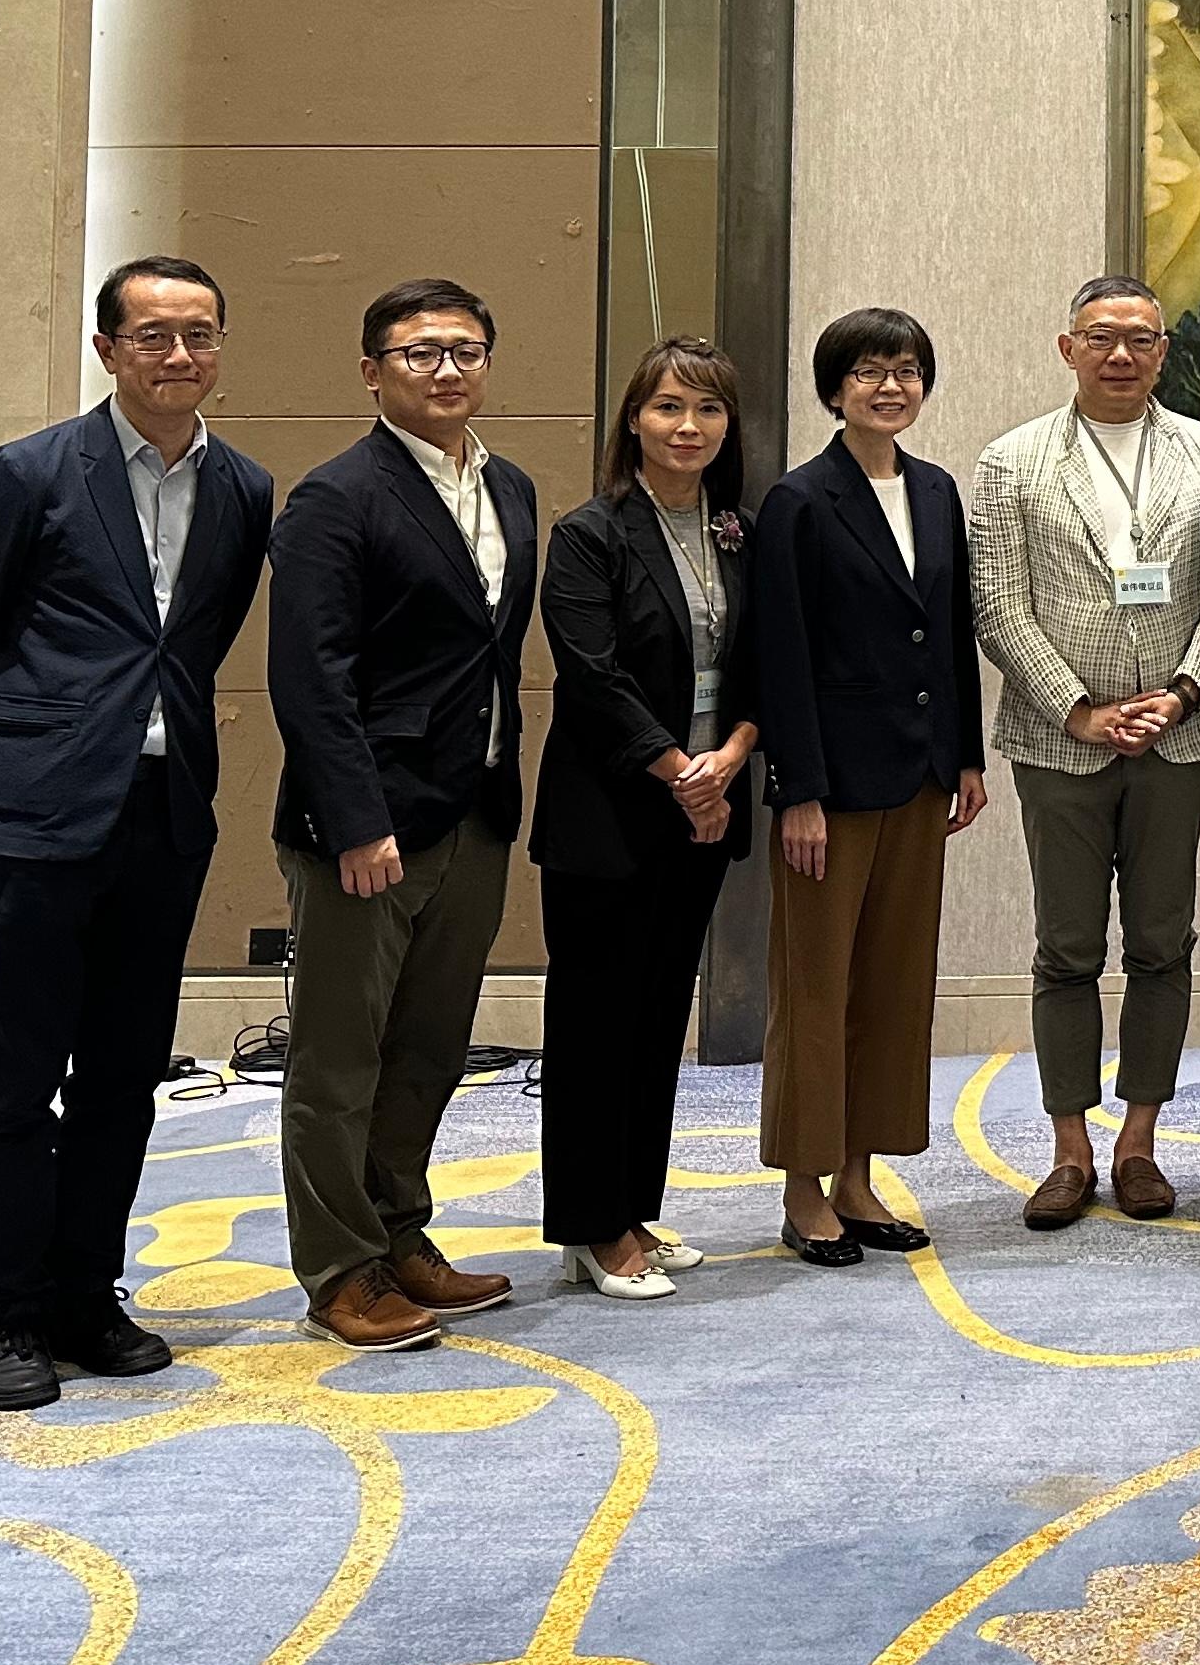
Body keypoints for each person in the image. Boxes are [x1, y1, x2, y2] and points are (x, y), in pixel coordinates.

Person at [0, 257, 275, 1408]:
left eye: (200, 335)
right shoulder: (25, 474)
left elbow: (195, 646)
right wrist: (8, 778)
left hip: (162, 822)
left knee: (123, 1078)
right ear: (109, 349)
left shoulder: (244, 488)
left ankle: (86, 1293)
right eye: (154, 336)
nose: (179, 356)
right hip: (27, 826)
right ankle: (9, 1317)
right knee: (17, 1083)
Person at [267, 277, 539, 1351]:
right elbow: (310, 677)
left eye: (466, 350)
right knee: (340, 1057)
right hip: (367, 828)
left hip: (474, 810)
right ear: (372, 369)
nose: (446, 370)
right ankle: (338, 1268)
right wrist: (355, 820)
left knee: (428, 1046)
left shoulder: (510, 486)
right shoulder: (336, 496)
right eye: (420, 353)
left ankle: (400, 1233)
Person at [970, 276, 1200, 1228]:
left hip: (1180, 735)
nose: (1120, 354)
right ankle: (1071, 1149)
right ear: (1066, 346)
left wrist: (1184, 690)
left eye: (1139, 339)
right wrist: (1078, 709)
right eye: (1100, 337)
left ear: (1163, 351)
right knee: (1067, 949)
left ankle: (1140, 1143)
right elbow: (997, 604)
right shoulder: (1012, 462)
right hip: (1059, 743)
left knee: (1163, 943)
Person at [751, 307, 987, 1267]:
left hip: (921, 776)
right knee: (816, 985)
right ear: (834, 387)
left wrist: (965, 756)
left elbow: (952, 630)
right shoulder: (800, 501)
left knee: (892, 984)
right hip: (833, 789)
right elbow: (782, 653)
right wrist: (797, 789)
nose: (890, 387)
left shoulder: (935, 491)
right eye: (869, 371)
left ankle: (858, 1174)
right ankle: (804, 1187)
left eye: (906, 371)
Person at [531, 337, 757, 1302]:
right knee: (596, 1022)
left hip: (705, 802)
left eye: (707, 410)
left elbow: (765, 661)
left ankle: (633, 1207)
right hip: (612, 812)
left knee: (660, 1014)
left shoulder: (737, 531)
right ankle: (590, 1225)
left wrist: (732, 759)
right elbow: (591, 675)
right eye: (669, 407)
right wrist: (680, 772)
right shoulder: (593, 534)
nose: (688, 426)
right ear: (634, 420)